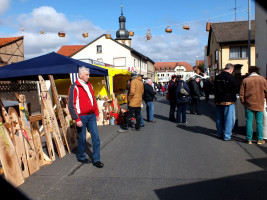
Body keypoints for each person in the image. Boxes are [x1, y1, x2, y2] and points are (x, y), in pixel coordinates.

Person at [68, 66, 104, 168]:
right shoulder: (74, 87)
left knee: (96, 137)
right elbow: (71, 105)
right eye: (87, 75)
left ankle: (96, 159)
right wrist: (76, 119)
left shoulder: (90, 85)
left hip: (91, 115)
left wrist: (96, 113)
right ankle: (81, 155)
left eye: (88, 74)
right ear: (80, 75)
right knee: (82, 138)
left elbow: (93, 99)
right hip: (82, 117)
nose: (89, 76)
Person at [239, 66, 267, 144]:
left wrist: (243, 102)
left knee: (249, 122)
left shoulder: (245, 80)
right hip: (259, 104)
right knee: (259, 122)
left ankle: (249, 139)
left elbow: (241, 94)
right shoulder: (263, 79)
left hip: (248, 104)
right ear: (257, 71)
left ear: (250, 71)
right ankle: (260, 139)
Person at [214, 63, 240, 141]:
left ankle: (219, 133)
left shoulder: (217, 77)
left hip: (218, 101)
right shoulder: (231, 78)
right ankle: (227, 136)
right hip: (228, 101)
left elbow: (214, 88)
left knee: (219, 119)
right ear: (231, 69)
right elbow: (237, 88)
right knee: (229, 120)